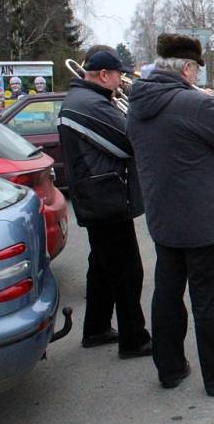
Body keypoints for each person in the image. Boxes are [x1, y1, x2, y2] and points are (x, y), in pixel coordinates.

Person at [126, 33, 214, 397]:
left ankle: (170, 368)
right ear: (186, 68)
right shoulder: (191, 103)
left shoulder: (139, 101)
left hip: (163, 215)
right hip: (203, 219)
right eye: (196, 70)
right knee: (209, 300)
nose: (198, 76)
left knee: (167, 293)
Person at [56, 49, 152, 359]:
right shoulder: (90, 103)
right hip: (105, 197)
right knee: (128, 270)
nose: (121, 80)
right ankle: (134, 339)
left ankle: (95, 329)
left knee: (101, 265)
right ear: (103, 75)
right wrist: (135, 109)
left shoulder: (84, 99)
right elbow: (129, 141)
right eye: (118, 75)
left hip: (98, 195)